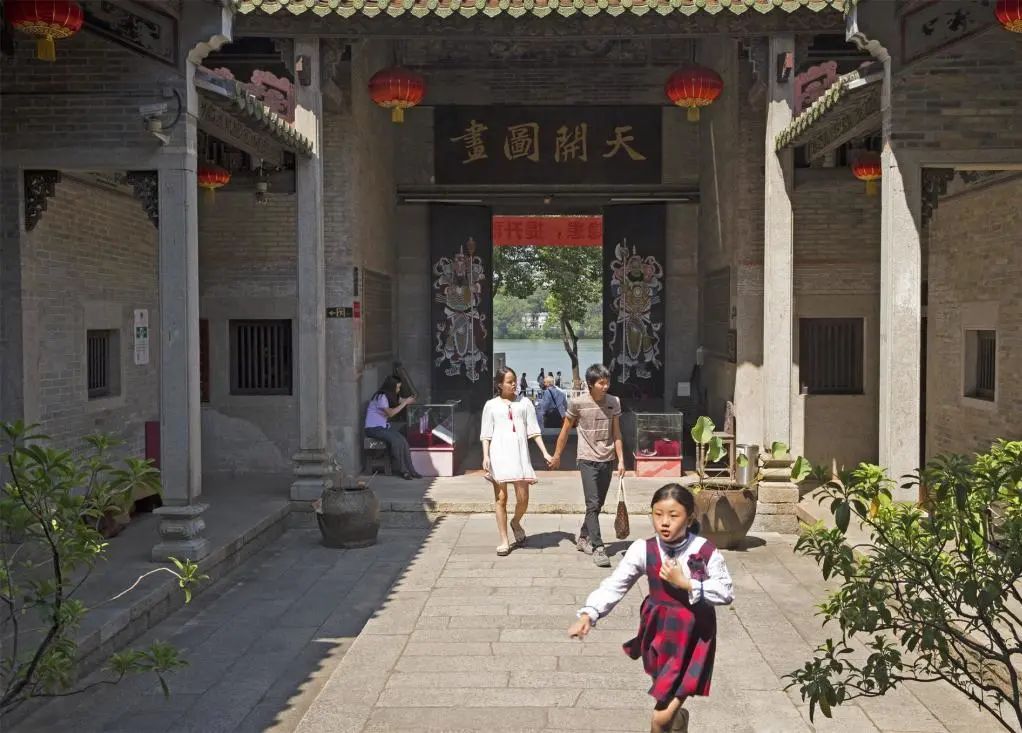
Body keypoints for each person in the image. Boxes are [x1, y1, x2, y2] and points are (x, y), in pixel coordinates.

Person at [567, 484, 733, 733]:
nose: (664, 522)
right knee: (666, 699)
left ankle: (669, 721)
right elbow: (616, 584)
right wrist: (588, 613)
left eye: (673, 515)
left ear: (689, 519)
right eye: (658, 514)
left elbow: (725, 591)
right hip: (658, 632)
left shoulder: (703, 550)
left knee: (660, 719)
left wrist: (686, 583)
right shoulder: (643, 549)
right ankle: (679, 722)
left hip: (693, 636)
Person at [549, 363, 625, 567]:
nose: (605, 386)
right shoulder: (577, 403)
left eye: (607, 382)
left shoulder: (614, 402)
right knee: (592, 503)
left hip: (607, 459)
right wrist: (557, 456)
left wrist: (621, 460)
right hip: (586, 459)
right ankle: (599, 547)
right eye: (601, 383)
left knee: (597, 504)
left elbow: (617, 433)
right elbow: (565, 430)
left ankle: (583, 537)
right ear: (590, 384)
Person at [481, 366, 552, 557]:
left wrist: (545, 453)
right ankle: (504, 540)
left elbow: (534, 430)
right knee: (501, 498)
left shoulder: (525, 403)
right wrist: (486, 456)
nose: (514, 384)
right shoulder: (491, 405)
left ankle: (516, 521)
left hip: (519, 455)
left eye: (515, 381)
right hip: (498, 454)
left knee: (523, 498)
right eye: (509, 381)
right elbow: (486, 434)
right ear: (499, 384)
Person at [364, 376, 420, 480]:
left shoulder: (390, 396)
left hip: (382, 428)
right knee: (396, 441)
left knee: (403, 440)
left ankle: (412, 470)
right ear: (391, 387)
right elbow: (390, 413)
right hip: (372, 429)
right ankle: (404, 471)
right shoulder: (381, 397)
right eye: (397, 388)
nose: (398, 390)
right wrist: (405, 403)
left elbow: (402, 400)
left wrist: (410, 400)